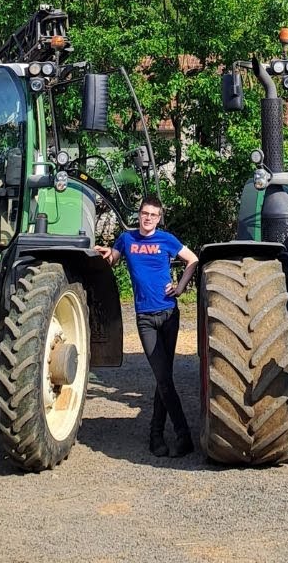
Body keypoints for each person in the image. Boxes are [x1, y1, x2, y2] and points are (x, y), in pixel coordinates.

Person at [96, 194, 199, 457]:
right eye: (145, 213)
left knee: (163, 378)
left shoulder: (166, 239)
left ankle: (156, 437)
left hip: (169, 314)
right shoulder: (126, 239)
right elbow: (113, 259)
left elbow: (193, 260)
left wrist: (180, 287)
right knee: (163, 377)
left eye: (153, 215)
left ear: (159, 218)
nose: (148, 218)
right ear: (139, 214)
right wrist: (106, 255)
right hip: (145, 318)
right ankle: (182, 436)